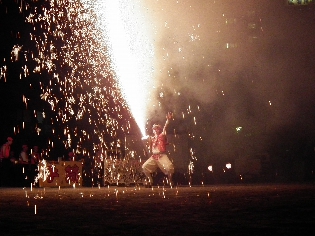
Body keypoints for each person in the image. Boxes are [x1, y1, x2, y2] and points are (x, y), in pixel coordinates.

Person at [142, 112, 174, 187]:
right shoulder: (152, 138)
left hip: (161, 156)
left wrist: (168, 120)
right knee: (144, 167)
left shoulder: (162, 135)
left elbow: (165, 127)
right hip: (154, 156)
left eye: (157, 129)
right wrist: (146, 139)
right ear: (153, 130)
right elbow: (149, 145)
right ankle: (150, 181)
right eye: (154, 129)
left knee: (169, 168)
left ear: (159, 130)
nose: (155, 130)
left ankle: (170, 181)